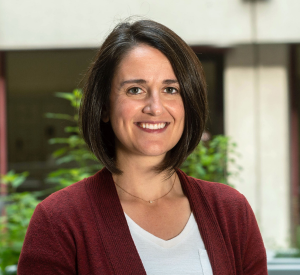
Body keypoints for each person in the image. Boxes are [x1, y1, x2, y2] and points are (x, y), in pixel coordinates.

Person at [18, 19, 267, 275]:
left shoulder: (230, 212)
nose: (155, 107)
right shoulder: (59, 220)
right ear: (104, 106)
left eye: (171, 89)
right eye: (135, 90)